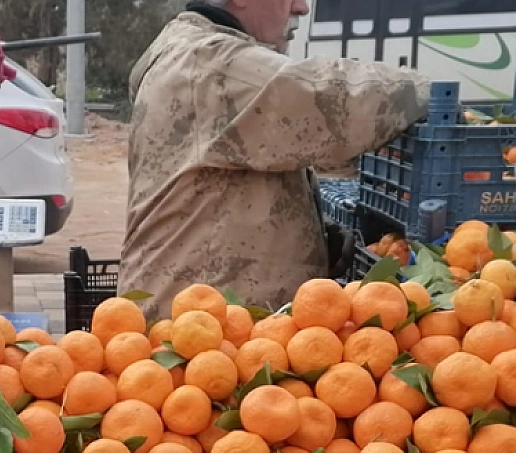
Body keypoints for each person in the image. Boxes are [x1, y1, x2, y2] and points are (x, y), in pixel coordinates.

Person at [121, 0, 431, 312]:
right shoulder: (210, 66)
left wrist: (313, 239)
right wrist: (432, 93)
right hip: (197, 328)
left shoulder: (187, 54)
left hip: (208, 319)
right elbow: (334, 99)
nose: (302, 8)